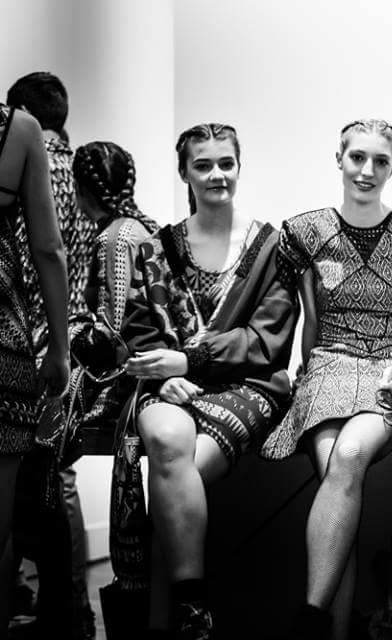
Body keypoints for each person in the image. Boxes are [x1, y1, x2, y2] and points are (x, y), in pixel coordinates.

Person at [260, 119, 392, 640]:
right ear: (339, 158)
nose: (367, 170)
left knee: (351, 455)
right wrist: (306, 378)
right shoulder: (306, 231)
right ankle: (331, 630)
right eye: (358, 157)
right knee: (339, 481)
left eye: (380, 161)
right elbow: (310, 324)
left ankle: (311, 619)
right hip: (330, 364)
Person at [122, 123, 298, 639]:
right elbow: (138, 331)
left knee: (174, 479)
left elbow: (266, 342)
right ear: (185, 173)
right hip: (168, 387)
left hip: (249, 386)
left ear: (240, 167)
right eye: (203, 165)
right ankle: (192, 614)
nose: (217, 174)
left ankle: (173, 618)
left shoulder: (271, 246)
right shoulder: (156, 249)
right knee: (165, 439)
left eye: (226, 163)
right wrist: (163, 378)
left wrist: (186, 361)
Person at [6, 71, 98, 639]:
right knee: (57, 474)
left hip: (29, 336)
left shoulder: (25, 163)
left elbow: (35, 254)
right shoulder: (84, 170)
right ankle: (72, 605)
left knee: (28, 476)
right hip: (75, 337)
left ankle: (44, 599)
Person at [0, 103, 69, 638]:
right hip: (3, 340)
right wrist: (59, 349)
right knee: (2, 518)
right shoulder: (18, 129)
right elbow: (48, 249)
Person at [70, 141, 159, 435]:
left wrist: (66, 336)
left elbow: (110, 335)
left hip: (126, 382)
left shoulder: (114, 239)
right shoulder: (139, 226)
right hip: (146, 366)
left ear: (80, 188)